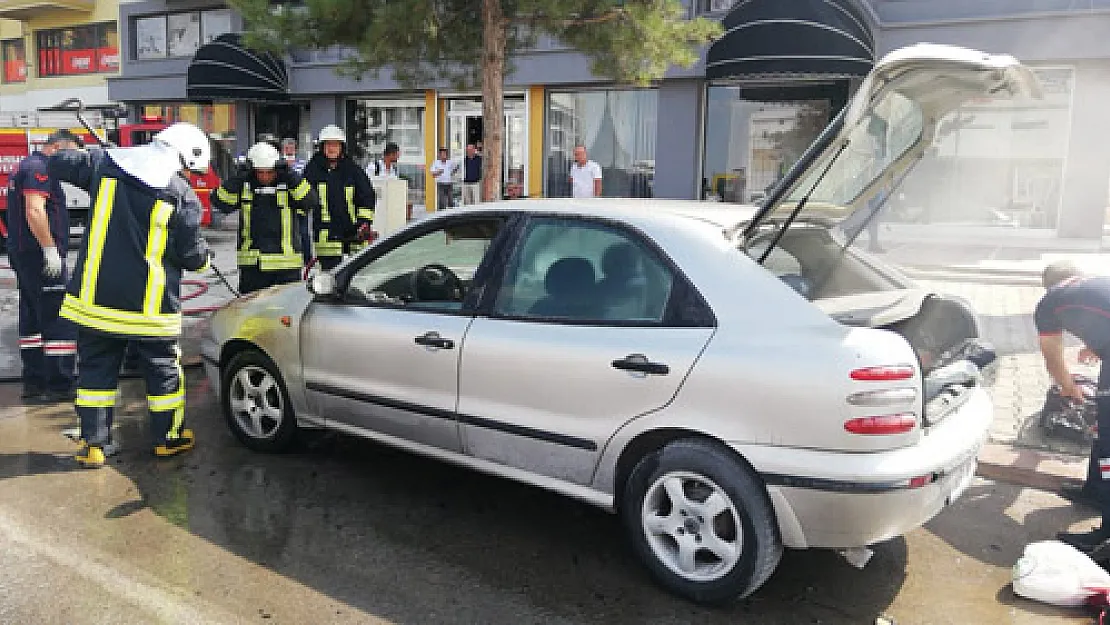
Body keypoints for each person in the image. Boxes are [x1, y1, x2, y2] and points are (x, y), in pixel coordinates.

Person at [47, 122, 213, 468]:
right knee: (163, 372)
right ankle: (168, 439)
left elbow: (58, 161)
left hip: (95, 302)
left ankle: (94, 444)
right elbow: (194, 259)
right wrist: (205, 257)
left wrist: (95, 156)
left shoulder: (105, 166)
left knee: (95, 374)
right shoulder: (181, 195)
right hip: (149, 308)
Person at [1034, 261, 1110, 553]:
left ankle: (1106, 535)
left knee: (1108, 446)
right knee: (1102, 432)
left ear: (1048, 284)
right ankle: (1094, 492)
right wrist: (1098, 345)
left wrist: (1067, 387)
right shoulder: (1095, 281)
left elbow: (1052, 358)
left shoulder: (1050, 301)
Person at [8, 130, 79, 403]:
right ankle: (59, 384)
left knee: (32, 318)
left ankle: (35, 380)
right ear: (58, 147)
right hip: (38, 256)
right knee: (58, 316)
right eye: (71, 153)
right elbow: (35, 210)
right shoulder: (40, 168)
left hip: (25, 253)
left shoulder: (27, 165)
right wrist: (50, 250)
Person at [213, 142, 318, 294]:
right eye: (260, 172)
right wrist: (237, 179)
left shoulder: (289, 184)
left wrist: (290, 174)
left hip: (285, 268)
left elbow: (310, 201)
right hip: (253, 267)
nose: (265, 177)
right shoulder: (245, 185)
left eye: (269, 172)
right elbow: (220, 202)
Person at [302, 124, 376, 271]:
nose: (332, 148)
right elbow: (303, 199)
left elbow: (367, 196)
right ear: (322, 147)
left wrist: (364, 222)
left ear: (342, 147)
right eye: (328, 144)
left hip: (354, 233)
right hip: (326, 235)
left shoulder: (352, 170)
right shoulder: (313, 170)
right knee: (331, 278)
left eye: (335, 144)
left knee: (358, 275)